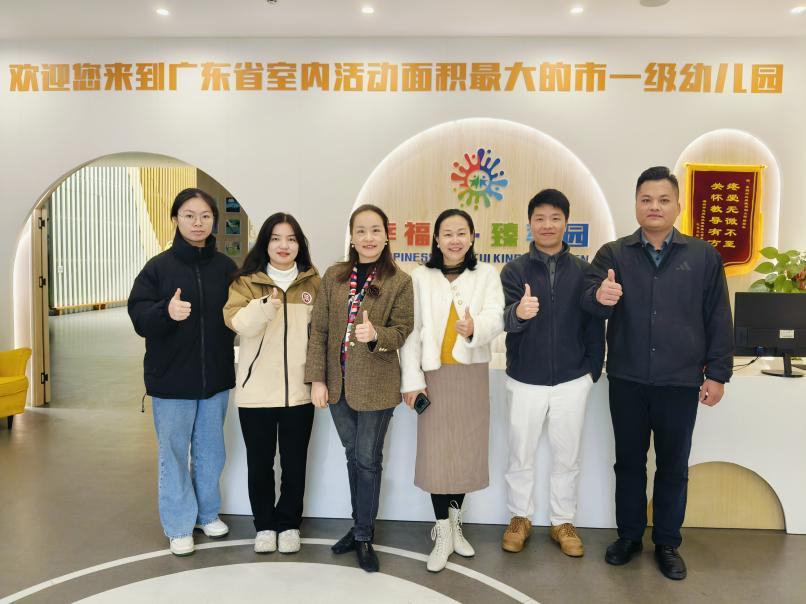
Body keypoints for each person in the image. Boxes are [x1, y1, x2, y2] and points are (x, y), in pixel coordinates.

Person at [582, 166, 733, 580]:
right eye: (646, 199)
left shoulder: (703, 256)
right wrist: (600, 295)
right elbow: (588, 301)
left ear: (678, 205)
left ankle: (667, 542)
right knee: (628, 464)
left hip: (680, 381)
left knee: (673, 467)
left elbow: (719, 318)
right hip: (628, 379)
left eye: (664, 199)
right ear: (635, 204)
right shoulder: (613, 254)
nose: (654, 207)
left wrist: (718, 374)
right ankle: (629, 537)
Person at [305, 204, 414, 573]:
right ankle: (358, 526)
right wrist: (317, 379)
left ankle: (364, 535)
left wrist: (376, 335)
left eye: (375, 230)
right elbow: (318, 330)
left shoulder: (400, 281)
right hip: (337, 386)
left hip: (377, 388)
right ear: (351, 237)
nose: (368, 238)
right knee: (353, 456)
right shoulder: (334, 276)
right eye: (361, 231)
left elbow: (402, 331)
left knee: (367, 459)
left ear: (386, 235)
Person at [128, 188, 236, 557]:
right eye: (189, 215)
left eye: (205, 216)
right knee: (173, 454)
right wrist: (165, 312)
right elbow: (139, 316)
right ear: (175, 219)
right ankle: (178, 524)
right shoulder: (158, 267)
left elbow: (238, 314)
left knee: (211, 452)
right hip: (171, 380)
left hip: (215, 378)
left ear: (214, 221)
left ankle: (207, 514)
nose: (197, 223)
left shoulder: (226, 268)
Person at [499, 189, 606, 558]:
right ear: (530, 223)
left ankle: (563, 521)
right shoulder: (514, 270)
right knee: (520, 454)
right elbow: (504, 320)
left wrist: (591, 371)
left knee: (567, 456)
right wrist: (519, 313)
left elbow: (594, 323)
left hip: (573, 379)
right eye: (540, 218)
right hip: (524, 377)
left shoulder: (584, 271)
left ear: (566, 223)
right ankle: (519, 517)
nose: (547, 225)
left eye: (555, 218)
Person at [400, 208, 504, 572]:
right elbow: (410, 332)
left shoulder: (486, 274)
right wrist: (412, 381)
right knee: (436, 455)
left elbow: (497, 315)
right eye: (448, 233)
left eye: (462, 233)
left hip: (471, 373)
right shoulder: (420, 276)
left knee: (464, 452)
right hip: (434, 375)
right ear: (436, 239)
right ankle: (442, 531)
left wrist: (476, 327)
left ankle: (456, 526)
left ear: (472, 237)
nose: (455, 240)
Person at [223, 213, 320, 555]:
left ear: (299, 245)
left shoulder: (313, 282)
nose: (283, 245)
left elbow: (320, 336)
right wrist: (265, 306)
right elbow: (238, 324)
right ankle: (264, 524)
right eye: (276, 238)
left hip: (299, 393)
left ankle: (290, 524)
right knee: (260, 464)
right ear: (265, 243)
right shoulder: (246, 282)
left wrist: (318, 379)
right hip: (256, 394)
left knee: (294, 464)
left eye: (291, 239)